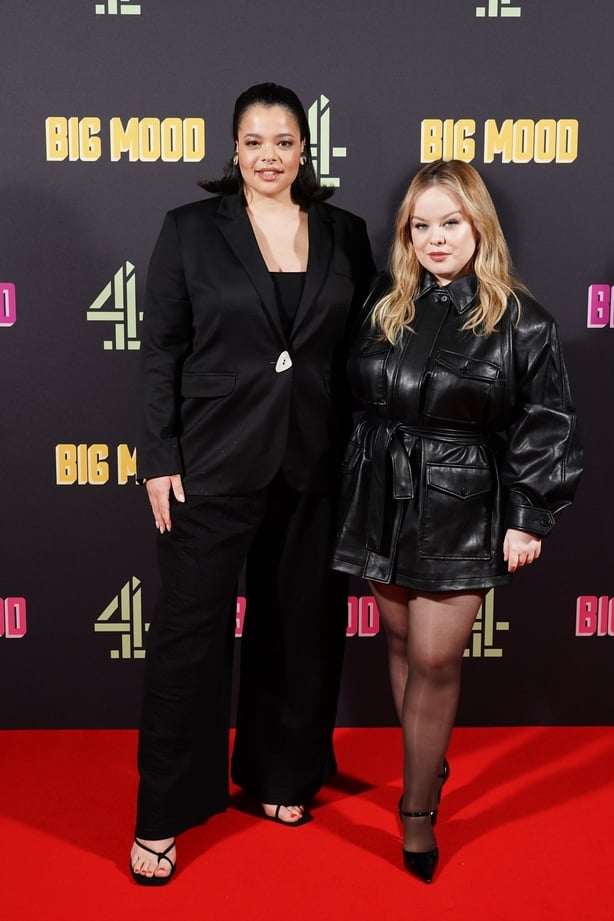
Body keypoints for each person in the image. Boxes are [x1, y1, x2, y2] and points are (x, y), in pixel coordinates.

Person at [130, 82, 375, 884]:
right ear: (232, 149)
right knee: (188, 641)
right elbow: (160, 349)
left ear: (306, 150)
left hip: (312, 458)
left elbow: (360, 351)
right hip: (210, 463)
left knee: (299, 626)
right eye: (254, 140)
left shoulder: (346, 232)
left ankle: (282, 773)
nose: (270, 155)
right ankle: (165, 811)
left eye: (284, 141)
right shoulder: (190, 231)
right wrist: (160, 457)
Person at [331, 159, 582, 883]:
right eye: (421, 225)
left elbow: (550, 422)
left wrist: (530, 514)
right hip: (379, 489)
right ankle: (426, 754)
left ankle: (415, 810)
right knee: (404, 641)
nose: (436, 238)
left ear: (479, 226)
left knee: (437, 658)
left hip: (462, 500)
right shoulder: (384, 299)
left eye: (451, 222)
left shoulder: (522, 320)